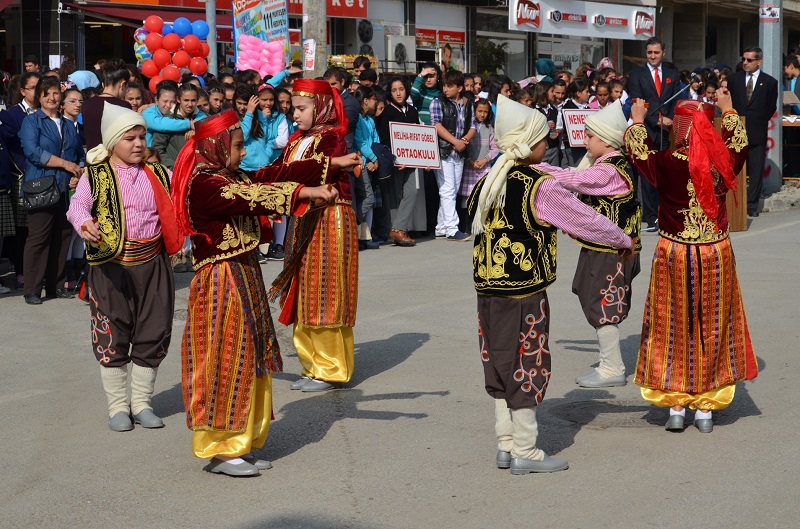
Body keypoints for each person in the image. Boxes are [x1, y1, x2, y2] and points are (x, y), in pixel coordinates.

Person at [171, 109, 357, 476]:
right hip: (221, 281)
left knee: (249, 355)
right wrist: (307, 192)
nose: (243, 153)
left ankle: (241, 443)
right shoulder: (205, 184)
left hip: (243, 273)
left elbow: (273, 174)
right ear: (217, 146)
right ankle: (222, 449)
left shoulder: (228, 175)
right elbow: (252, 195)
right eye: (238, 146)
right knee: (225, 359)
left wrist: (330, 166)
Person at [467, 95, 635, 474]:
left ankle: (506, 443)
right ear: (529, 144)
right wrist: (622, 240)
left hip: (487, 291)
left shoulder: (488, 179)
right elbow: (584, 219)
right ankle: (526, 450)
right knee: (526, 363)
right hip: (523, 292)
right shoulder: (538, 187)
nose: (548, 142)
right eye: (543, 138)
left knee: (497, 362)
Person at [625, 93, 757, 433]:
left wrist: (637, 120)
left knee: (671, 325)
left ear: (679, 127)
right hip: (715, 253)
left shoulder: (666, 161)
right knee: (712, 325)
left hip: (675, 252)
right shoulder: (722, 160)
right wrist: (728, 109)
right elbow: (740, 142)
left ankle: (676, 406)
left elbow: (638, 150)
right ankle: (705, 409)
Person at [67, 103, 182, 431]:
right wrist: (85, 223)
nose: (138, 144)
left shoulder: (159, 174)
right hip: (111, 266)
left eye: (142, 137)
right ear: (112, 141)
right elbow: (77, 206)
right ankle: (118, 406)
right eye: (130, 138)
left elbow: (182, 200)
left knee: (154, 330)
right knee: (111, 333)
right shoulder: (96, 175)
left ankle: (142, 403)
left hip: (153, 262)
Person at [260, 79, 361, 393]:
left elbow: (305, 172)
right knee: (303, 291)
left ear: (321, 107)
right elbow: (280, 171)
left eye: (301, 108)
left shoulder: (332, 137)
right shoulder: (295, 141)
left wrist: (327, 164)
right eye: (293, 109)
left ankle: (331, 369)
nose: (295, 115)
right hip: (304, 219)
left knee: (325, 292)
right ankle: (312, 365)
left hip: (329, 218)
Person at [534, 100, 642, 387]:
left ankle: (612, 368)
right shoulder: (607, 164)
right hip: (603, 247)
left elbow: (575, 179)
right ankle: (609, 364)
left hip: (613, 250)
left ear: (606, 140)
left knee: (604, 305)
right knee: (595, 298)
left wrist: (536, 168)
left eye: (589, 135)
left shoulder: (609, 170)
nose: (585, 140)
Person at [18, 76, 85, 305]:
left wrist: (77, 173)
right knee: (39, 238)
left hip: (65, 188)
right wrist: (65, 164)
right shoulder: (32, 121)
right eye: (46, 94)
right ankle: (32, 289)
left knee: (63, 236)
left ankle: (57, 285)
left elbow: (79, 154)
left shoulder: (68, 124)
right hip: (41, 186)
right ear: (39, 97)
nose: (51, 98)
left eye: (56, 93)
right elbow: (33, 151)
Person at [626, 37, 681, 233]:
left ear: (663, 52)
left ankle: (667, 214)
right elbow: (637, 101)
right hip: (647, 129)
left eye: (656, 52)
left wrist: (670, 118)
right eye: (649, 52)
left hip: (667, 131)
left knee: (666, 173)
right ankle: (651, 218)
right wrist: (655, 120)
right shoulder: (636, 75)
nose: (652, 56)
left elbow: (677, 100)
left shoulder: (672, 74)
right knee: (648, 175)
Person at [0, 72, 40, 291]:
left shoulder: (46, 112)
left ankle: (39, 270)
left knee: (41, 227)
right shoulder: (12, 115)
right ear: (23, 91)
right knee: (22, 229)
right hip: (21, 176)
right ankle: (21, 270)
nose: (38, 91)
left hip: (45, 175)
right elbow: (9, 148)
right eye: (33, 87)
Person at [729, 46, 779, 217]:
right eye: (743, 59)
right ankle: (735, 203)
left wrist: (759, 120)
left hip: (757, 130)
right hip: (736, 131)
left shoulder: (770, 82)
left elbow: (771, 107)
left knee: (756, 170)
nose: (745, 63)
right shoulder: (734, 79)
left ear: (759, 61)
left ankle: (751, 205)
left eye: (749, 60)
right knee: (735, 168)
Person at [431, 69, 475, 241]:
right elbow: (436, 126)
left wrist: (463, 140)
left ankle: (441, 226)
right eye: (444, 85)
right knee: (447, 189)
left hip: (459, 151)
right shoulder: (438, 102)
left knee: (453, 189)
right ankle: (451, 229)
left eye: (449, 86)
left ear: (459, 88)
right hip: (443, 150)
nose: (445, 89)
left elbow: (473, 126)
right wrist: (455, 141)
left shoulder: (467, 103)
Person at [375, 76, 420, 247]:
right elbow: (384, 139)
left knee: (411, 192)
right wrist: (394, 158)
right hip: (395, 161)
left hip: (412, 159)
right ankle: (397, 231)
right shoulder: (387, 112)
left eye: (401, 89)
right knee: (395, 195)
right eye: (394, 90)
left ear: (406, 90)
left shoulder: (413, 111)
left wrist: (425, 159)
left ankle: (398, 228)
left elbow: (419, 137)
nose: (398, 93)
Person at [459, 98, 497, 234]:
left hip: (484, 167)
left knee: (483, 195)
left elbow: (495, 148)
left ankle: (481, 223)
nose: (482, 114)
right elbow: (464, 146)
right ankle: (466, 225)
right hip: (470, 166)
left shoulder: (490, 128)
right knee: (466, 197)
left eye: (485, 112)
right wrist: (470, 160)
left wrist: (485, 160)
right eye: (479, 111)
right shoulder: (468, 127)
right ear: (474, 111)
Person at [151, 83, 207, 168]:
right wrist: (175, 167)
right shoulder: (167, 121)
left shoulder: (202, 117)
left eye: (193, 100)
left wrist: (197, 130)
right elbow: (157, 149)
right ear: (178, 99)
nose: (190, 104)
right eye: (186, 100)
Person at [82, 58, 131, 150]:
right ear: (122, 84)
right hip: (113, 157)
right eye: (127, 87)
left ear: (103, 84)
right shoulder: (123, 106)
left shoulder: (87, 104)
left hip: (91, 156)